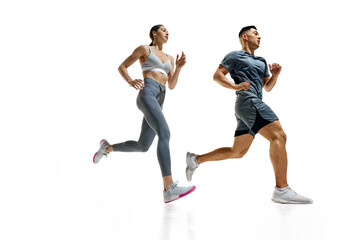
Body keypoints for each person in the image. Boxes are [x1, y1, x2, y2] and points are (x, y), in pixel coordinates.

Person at [186, 26, 312, 204]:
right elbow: (217, 75)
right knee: (279, 136)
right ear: (245, 37)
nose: (259, 36)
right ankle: (282, 190)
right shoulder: (235, 56)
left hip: (248, 106)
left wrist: (275, 75)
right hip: (248, 102)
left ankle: (195, 159)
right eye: (255, 33)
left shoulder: (261, 60)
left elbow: (266, 87)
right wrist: (234, 86)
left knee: (237, 151)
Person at [93, 24, 195, 203]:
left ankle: (107, 147)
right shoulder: (144, 49)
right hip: (147, 94)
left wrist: (178, 67)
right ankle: (169, 187)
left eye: (168, 31)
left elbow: (171, 85)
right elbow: (122, 66)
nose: (167, 32)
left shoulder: (170, 58)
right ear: (154, 33)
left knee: (143, 145)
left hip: (160, 99)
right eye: (163, 30)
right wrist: (130, 80)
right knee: (165, 133)